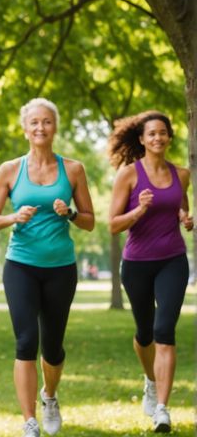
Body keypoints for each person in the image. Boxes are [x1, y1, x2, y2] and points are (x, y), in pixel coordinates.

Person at [0, 98, 95, 437]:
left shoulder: (73, 169)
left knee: (54, 347)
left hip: (61, 267)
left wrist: (70, 213)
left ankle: (50, 396)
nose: (40, 128)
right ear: (25, 129)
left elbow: (90, 221)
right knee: (26, 341)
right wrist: (14, 217)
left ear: (55, 127)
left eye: (46, 121)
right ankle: (29, 420)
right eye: (34, 122)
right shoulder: (10, 170)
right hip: (21, 265)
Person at [107, 110, 192, 433]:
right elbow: (113, 226)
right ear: (142, 139)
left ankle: (162, 409)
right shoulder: (128, 175)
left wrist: (186, 219)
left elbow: (181, 207)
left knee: (164, 330)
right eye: (151, 133)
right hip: (137, 264)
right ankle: (150, 380)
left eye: (163, 132)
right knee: (145, 333)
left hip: (173, 260)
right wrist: (139, 209)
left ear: (170, 137)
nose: (158, 137)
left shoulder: (181, 174)